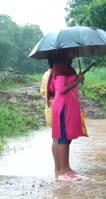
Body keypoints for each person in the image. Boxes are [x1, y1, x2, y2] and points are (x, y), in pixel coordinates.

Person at [47, 49, 85, 181]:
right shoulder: (61, 68)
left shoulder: (63, 68)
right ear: (63, 53)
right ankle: (63, 171)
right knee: (63, 137)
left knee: (62, 137)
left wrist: (76, 78)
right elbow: (60, 89)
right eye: (70, 51)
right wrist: (77, 81)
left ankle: (62, 168)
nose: (73, 52)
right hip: (64, 105)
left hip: (66, 105)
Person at [40, 56, 55, 127]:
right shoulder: (56, 75)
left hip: (48, 105)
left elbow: (42, 92)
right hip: (57, 105)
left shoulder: (45, 74)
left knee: (55, 131)